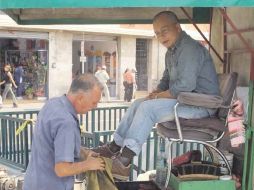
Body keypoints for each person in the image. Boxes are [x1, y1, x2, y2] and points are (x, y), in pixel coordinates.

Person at [93, 11, 220, 180]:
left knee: (148, 108)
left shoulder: (190, 48)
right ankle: (114, 147)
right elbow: (166, 80)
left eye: (164, 31)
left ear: (178, 27)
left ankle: (124, 160)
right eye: (157, 33)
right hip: (184, 101)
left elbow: (186, 85)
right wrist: (154, 93)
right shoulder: (171, 52)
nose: (160, 36)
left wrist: (158, 97)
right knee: (139, 102)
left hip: (201, 104)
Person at [23, 74, 106, 190]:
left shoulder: (52, 104)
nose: (95, 106)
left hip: (33, 183)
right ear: (81, 98)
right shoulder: (67, 123)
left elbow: (53, 145)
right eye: (93, 102)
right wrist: (88, 165)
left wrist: (84, 152)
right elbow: (62, 170)